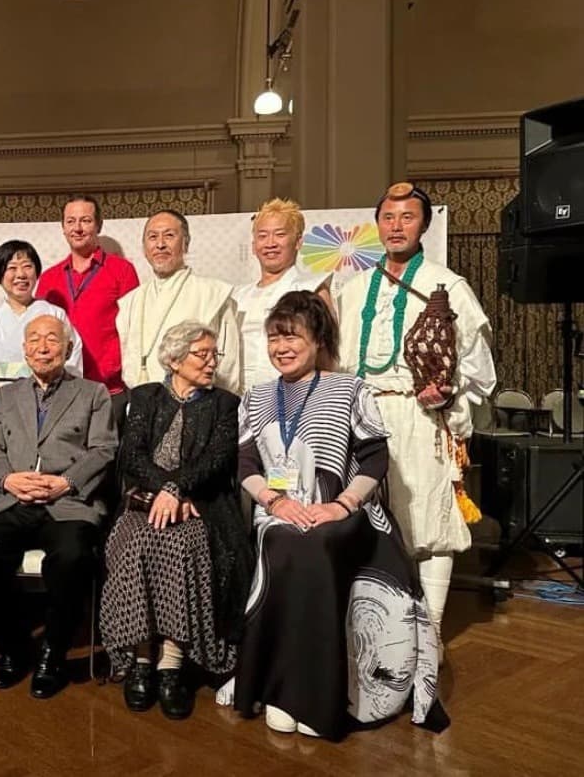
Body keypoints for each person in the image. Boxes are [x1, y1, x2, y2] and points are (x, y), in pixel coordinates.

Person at [226, 291, 447, 740]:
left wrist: (340, 504)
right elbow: (245, 464)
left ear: (318, 339)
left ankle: (313, 697)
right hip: (280, 512)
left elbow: (374, 459)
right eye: (274, 338)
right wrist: (276, 502)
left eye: (293, 337)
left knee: (313, 544)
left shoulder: (351, 389)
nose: (282, 348)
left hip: (345, 512)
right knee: (284, 541)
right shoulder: (255, 397)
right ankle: (280, 688)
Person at [338, 182, 496, 638]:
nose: (396, 226)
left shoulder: (449, 287)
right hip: (363, 416)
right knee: (365, 521)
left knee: (429, 521)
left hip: (420, 419)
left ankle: (430, 633)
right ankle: (379, 632)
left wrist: (447, 397)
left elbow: (480, 371)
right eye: (388, 217)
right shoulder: (353, 289)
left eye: (407, 217)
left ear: (424, 224)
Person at [0, 314, 118, 700]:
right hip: (13, 499)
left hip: (68, 502)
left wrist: (67, 481)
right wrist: (7, 479)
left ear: (67, 348)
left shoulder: (93, 393)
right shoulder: (6, 396)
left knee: (73, 557)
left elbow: (104, 448)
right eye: (34, 340)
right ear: (24, 349)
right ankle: (14, 646)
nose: (43, 346)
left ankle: (54, 652)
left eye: (52, 339)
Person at [100, 321, 251, 720]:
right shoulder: (146, 396)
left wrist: (179, 490)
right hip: (144, 501)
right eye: (202, 354)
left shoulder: (225, 404)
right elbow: (132, 455)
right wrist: (166, 490)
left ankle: (171, 662)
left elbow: (218, 460)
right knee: (134, 544)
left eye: (213, 354)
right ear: (174, 359)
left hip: (202, 503)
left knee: (184, 546)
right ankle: (141, 659)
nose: (211, 362)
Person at [117, 210, 241, 395]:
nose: (160, 244)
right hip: (143, 404)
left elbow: (228, 366)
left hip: (199, 405)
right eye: (153, 237)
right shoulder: (131, 301)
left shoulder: (213, 294)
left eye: (169, 236)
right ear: (144, 248)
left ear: (185, 244)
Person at [35, 195, 139, 412]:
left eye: (86, 220)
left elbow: (135, 329)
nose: (78, 228)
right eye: (71, 221)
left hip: (108, 389)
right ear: (63, 228)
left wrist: (111, 369)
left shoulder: (122, 271)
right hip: (60, 389)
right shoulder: (48, 278)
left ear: (98, 225)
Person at [0, 239, 82, 403]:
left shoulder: (54, 314)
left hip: (50, 406)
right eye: (11, 268)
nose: (21, 275)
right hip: (1, 408)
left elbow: (72, 364)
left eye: (27, 266)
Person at [232, 198, 333, 392]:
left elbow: (328, 355)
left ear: (298, 242)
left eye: (279, 235)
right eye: (262, 236)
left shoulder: (313, 288)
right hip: (239, 401)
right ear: (253, 246)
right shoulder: (237, 296)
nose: (270, 243)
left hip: (295, 396)